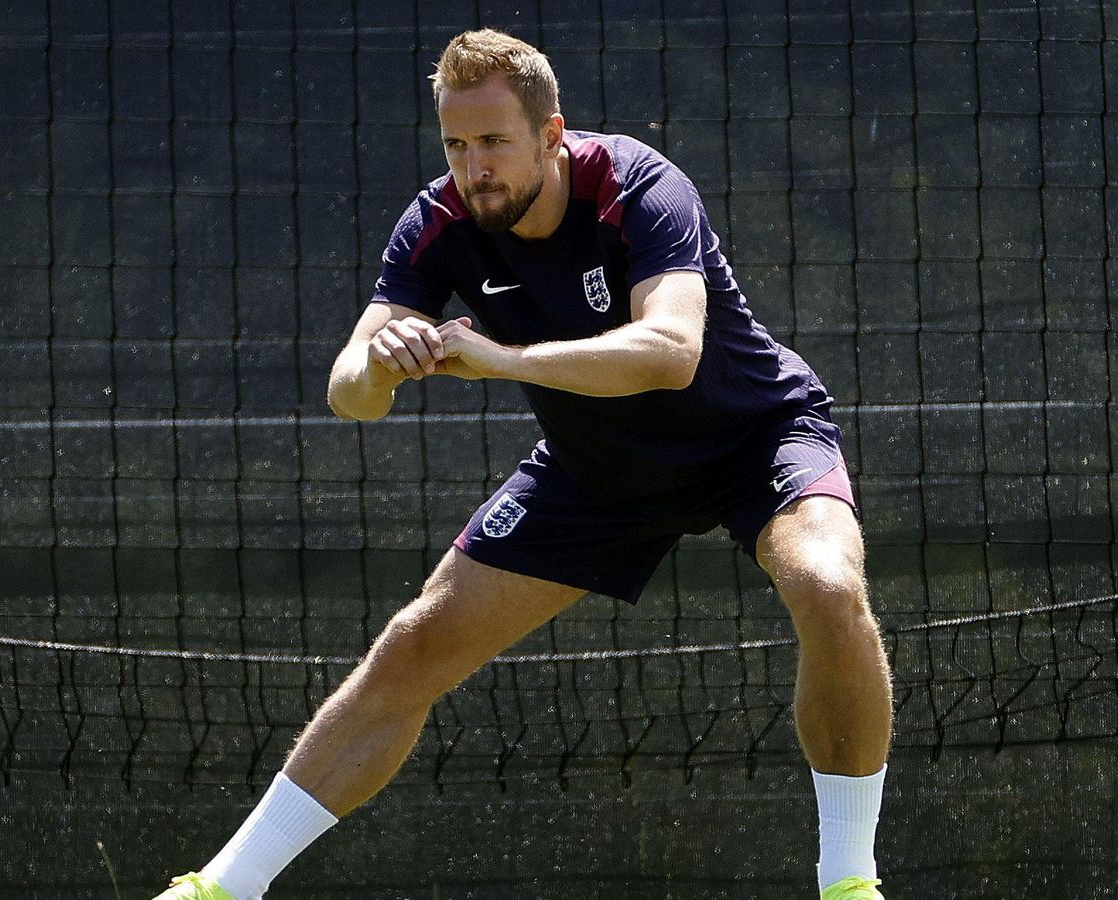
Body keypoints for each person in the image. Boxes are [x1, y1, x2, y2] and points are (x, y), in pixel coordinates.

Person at [153, 28, 894, 900]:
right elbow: (348, 394)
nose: (475, 168)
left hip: (753, 437)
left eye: (495, 142)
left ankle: (850, 883)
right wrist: (378, 364)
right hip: (597, 471)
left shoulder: (638, 185)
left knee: (827, 586)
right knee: (415, 644)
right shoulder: (436, 222)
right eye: (456, 145)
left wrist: (501, 360)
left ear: (550, 135)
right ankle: (220, 890)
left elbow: (671, 352)